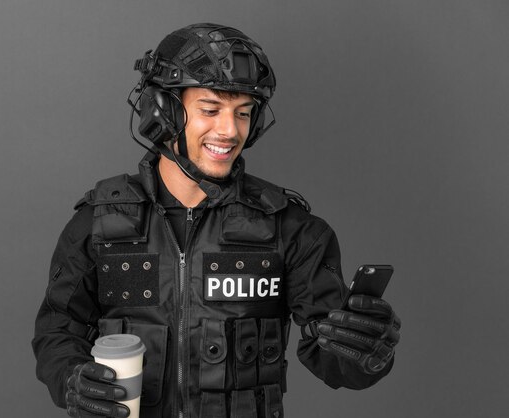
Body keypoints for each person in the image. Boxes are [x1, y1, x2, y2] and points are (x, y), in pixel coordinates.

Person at [32, 23, 401, 418]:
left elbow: (333, 359)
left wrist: (368, 350)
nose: (230, 131)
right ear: (163, 111)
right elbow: (58, 328)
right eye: (210, 110)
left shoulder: (292, 230)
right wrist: (71, 378)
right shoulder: (99, 224)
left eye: (243, 113)